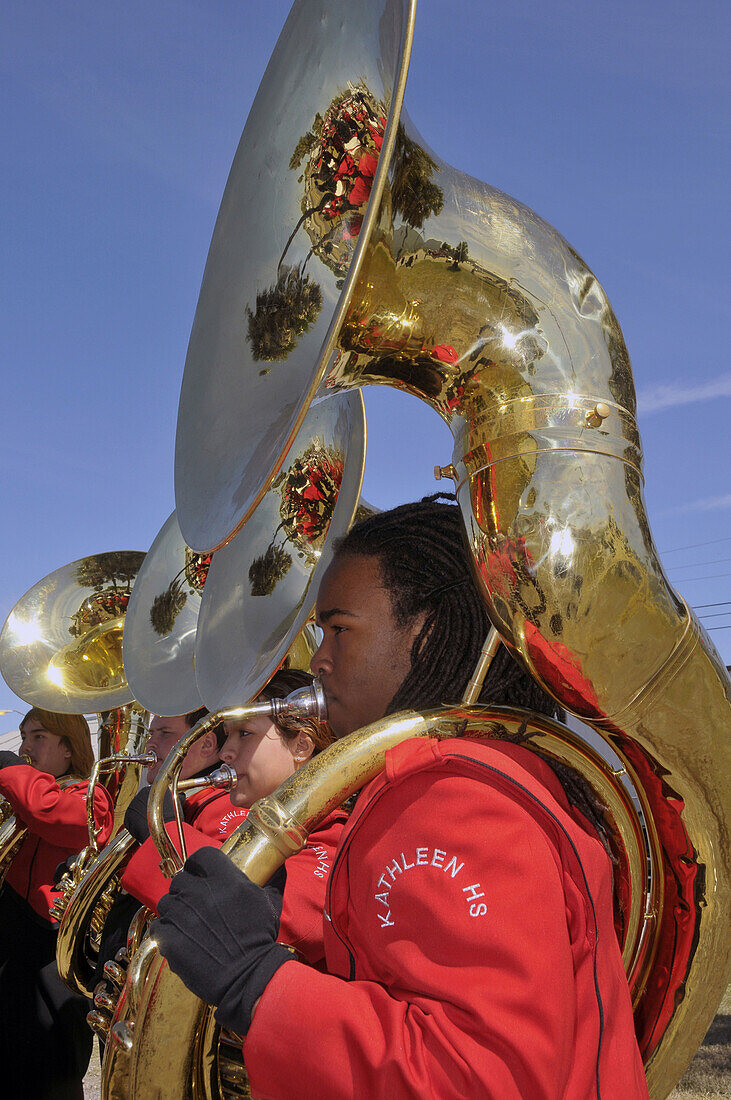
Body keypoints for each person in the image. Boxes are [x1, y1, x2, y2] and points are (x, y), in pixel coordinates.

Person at [156, 499, 649, 1099]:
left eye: (339, 629)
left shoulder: (454, 798)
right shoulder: (473, 773)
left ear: (430, 632)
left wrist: (257, 983)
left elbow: (479, 1080)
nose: (319, 660)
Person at [0, 707, 114, 1100]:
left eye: (39, 738)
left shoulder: (90, 795)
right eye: (23, 737)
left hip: (54, 954)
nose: (27, 748)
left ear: (69, 748)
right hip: (11, 942)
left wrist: (9, 768)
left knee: (51, 1075)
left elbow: (49, 813)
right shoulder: (22, 796)